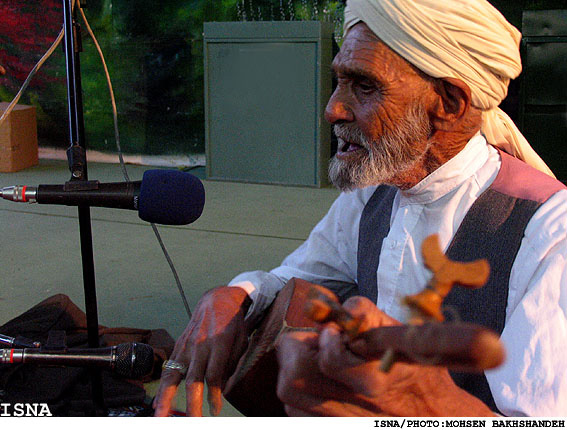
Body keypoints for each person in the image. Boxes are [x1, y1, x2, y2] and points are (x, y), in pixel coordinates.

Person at [153, 0, 567, 417]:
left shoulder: (549, 231)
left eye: (364, 87)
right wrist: (234, 298)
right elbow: (299, 277)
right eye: (338, 81)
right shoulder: (375, 189)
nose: (333, 108)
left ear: (450, 103)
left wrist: (427, 403)